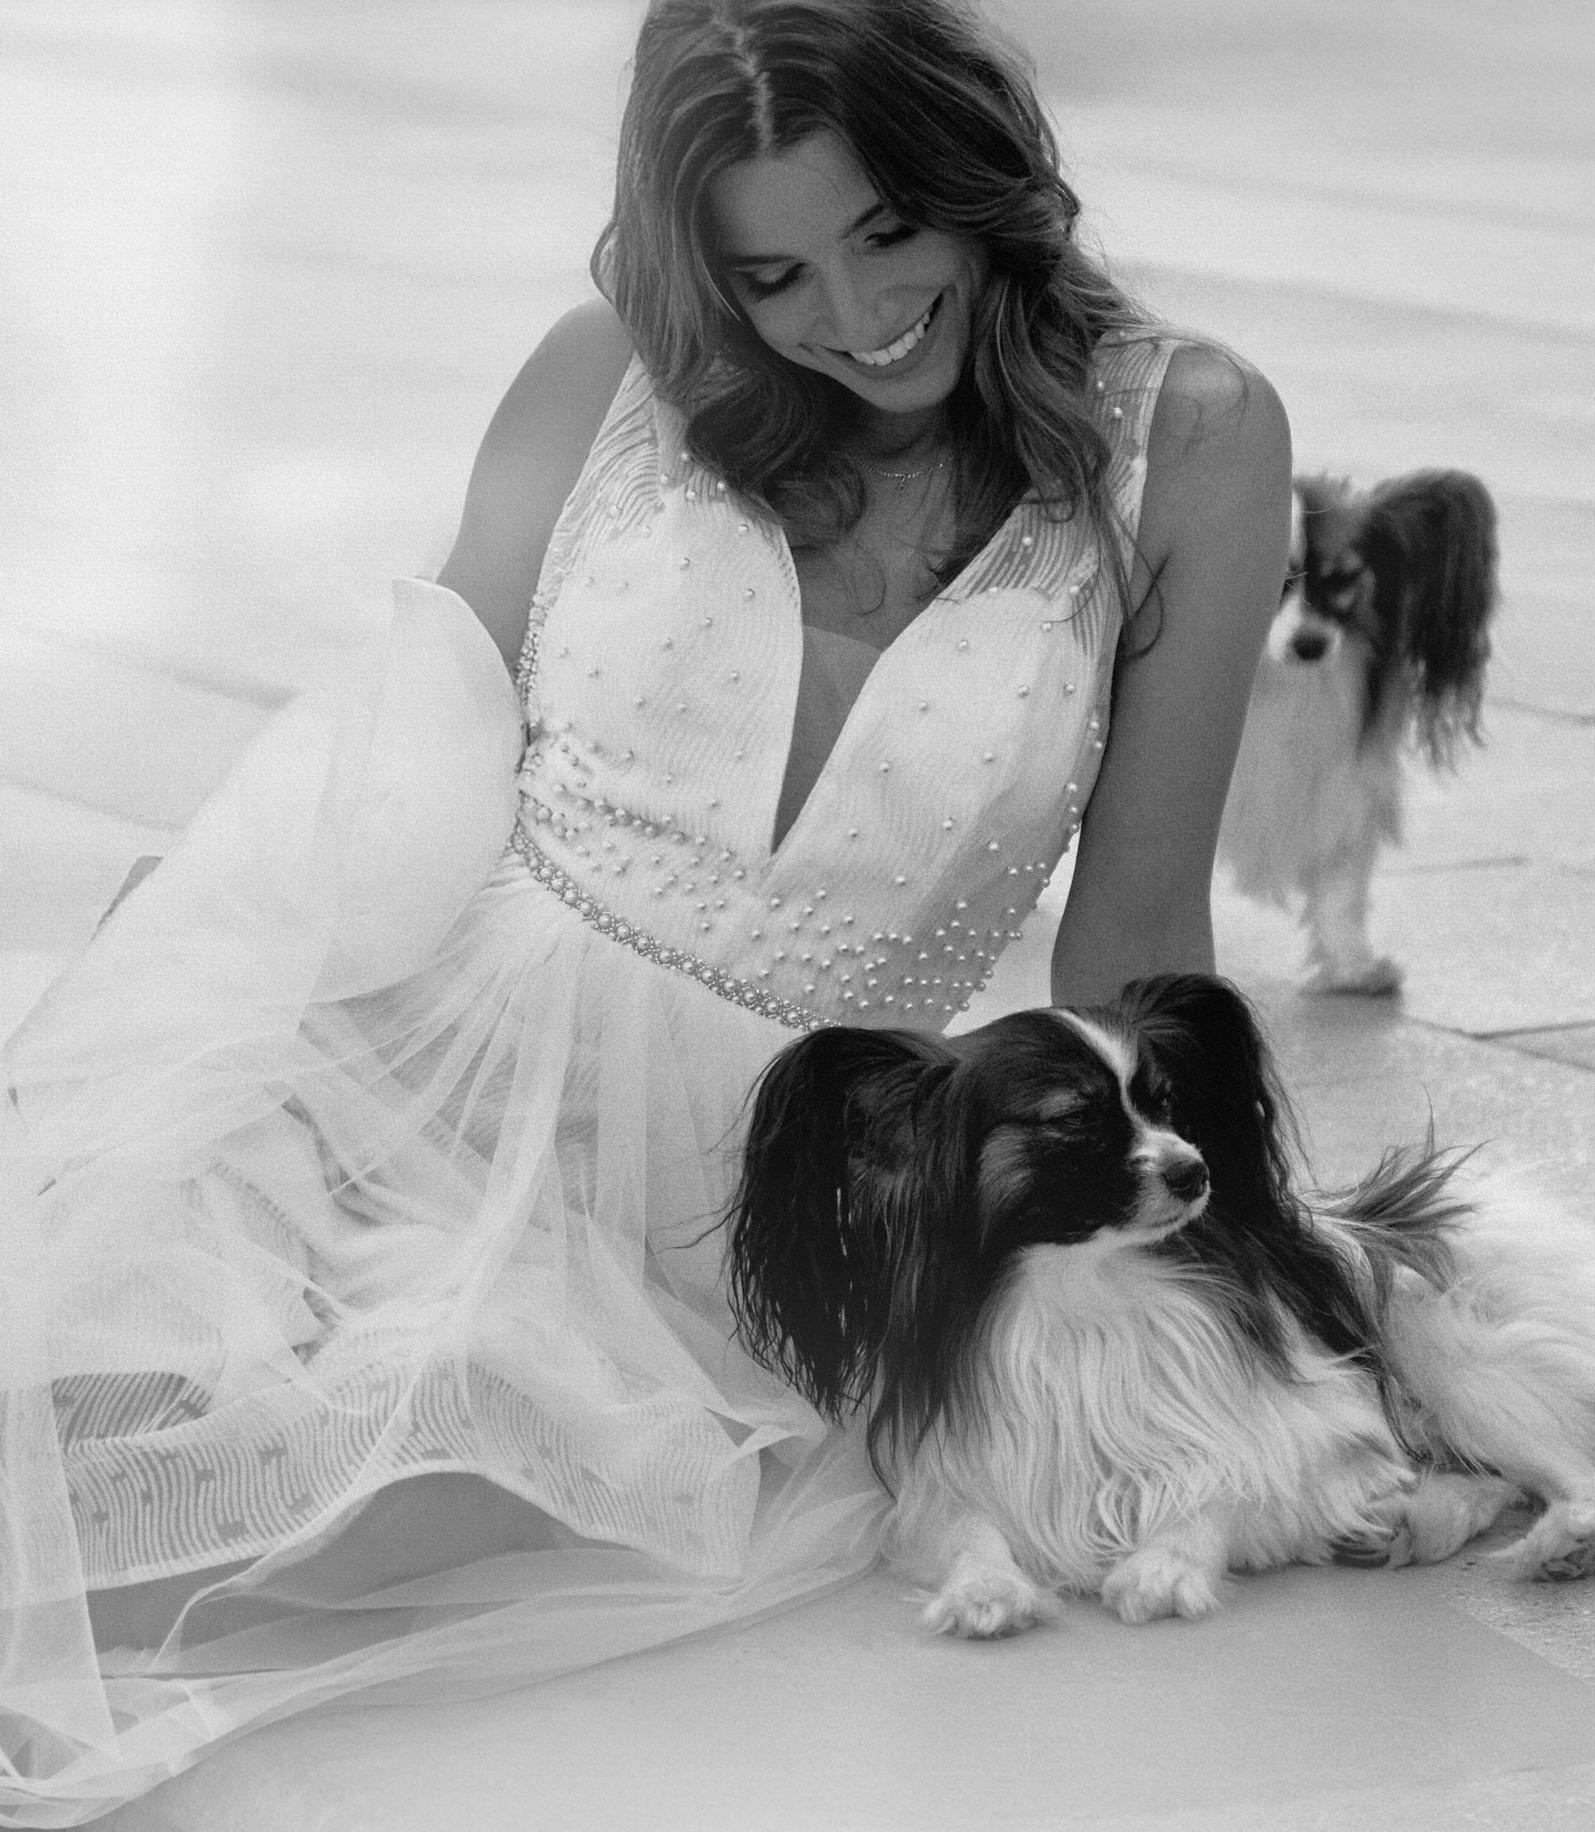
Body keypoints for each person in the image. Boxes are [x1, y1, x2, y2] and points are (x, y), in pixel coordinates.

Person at [0, 0, 1288, 1818]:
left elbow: (1135, 937)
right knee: (84, 1398)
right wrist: (189, 989)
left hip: (770, 1184)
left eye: (890, 232)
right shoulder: (606, 369)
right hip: (422, 1051)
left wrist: (1237, 1319)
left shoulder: (1192, 439)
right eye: (773, 276)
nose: (855, 315)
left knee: (396, 1469)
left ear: (978, 171)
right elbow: (415, 747)